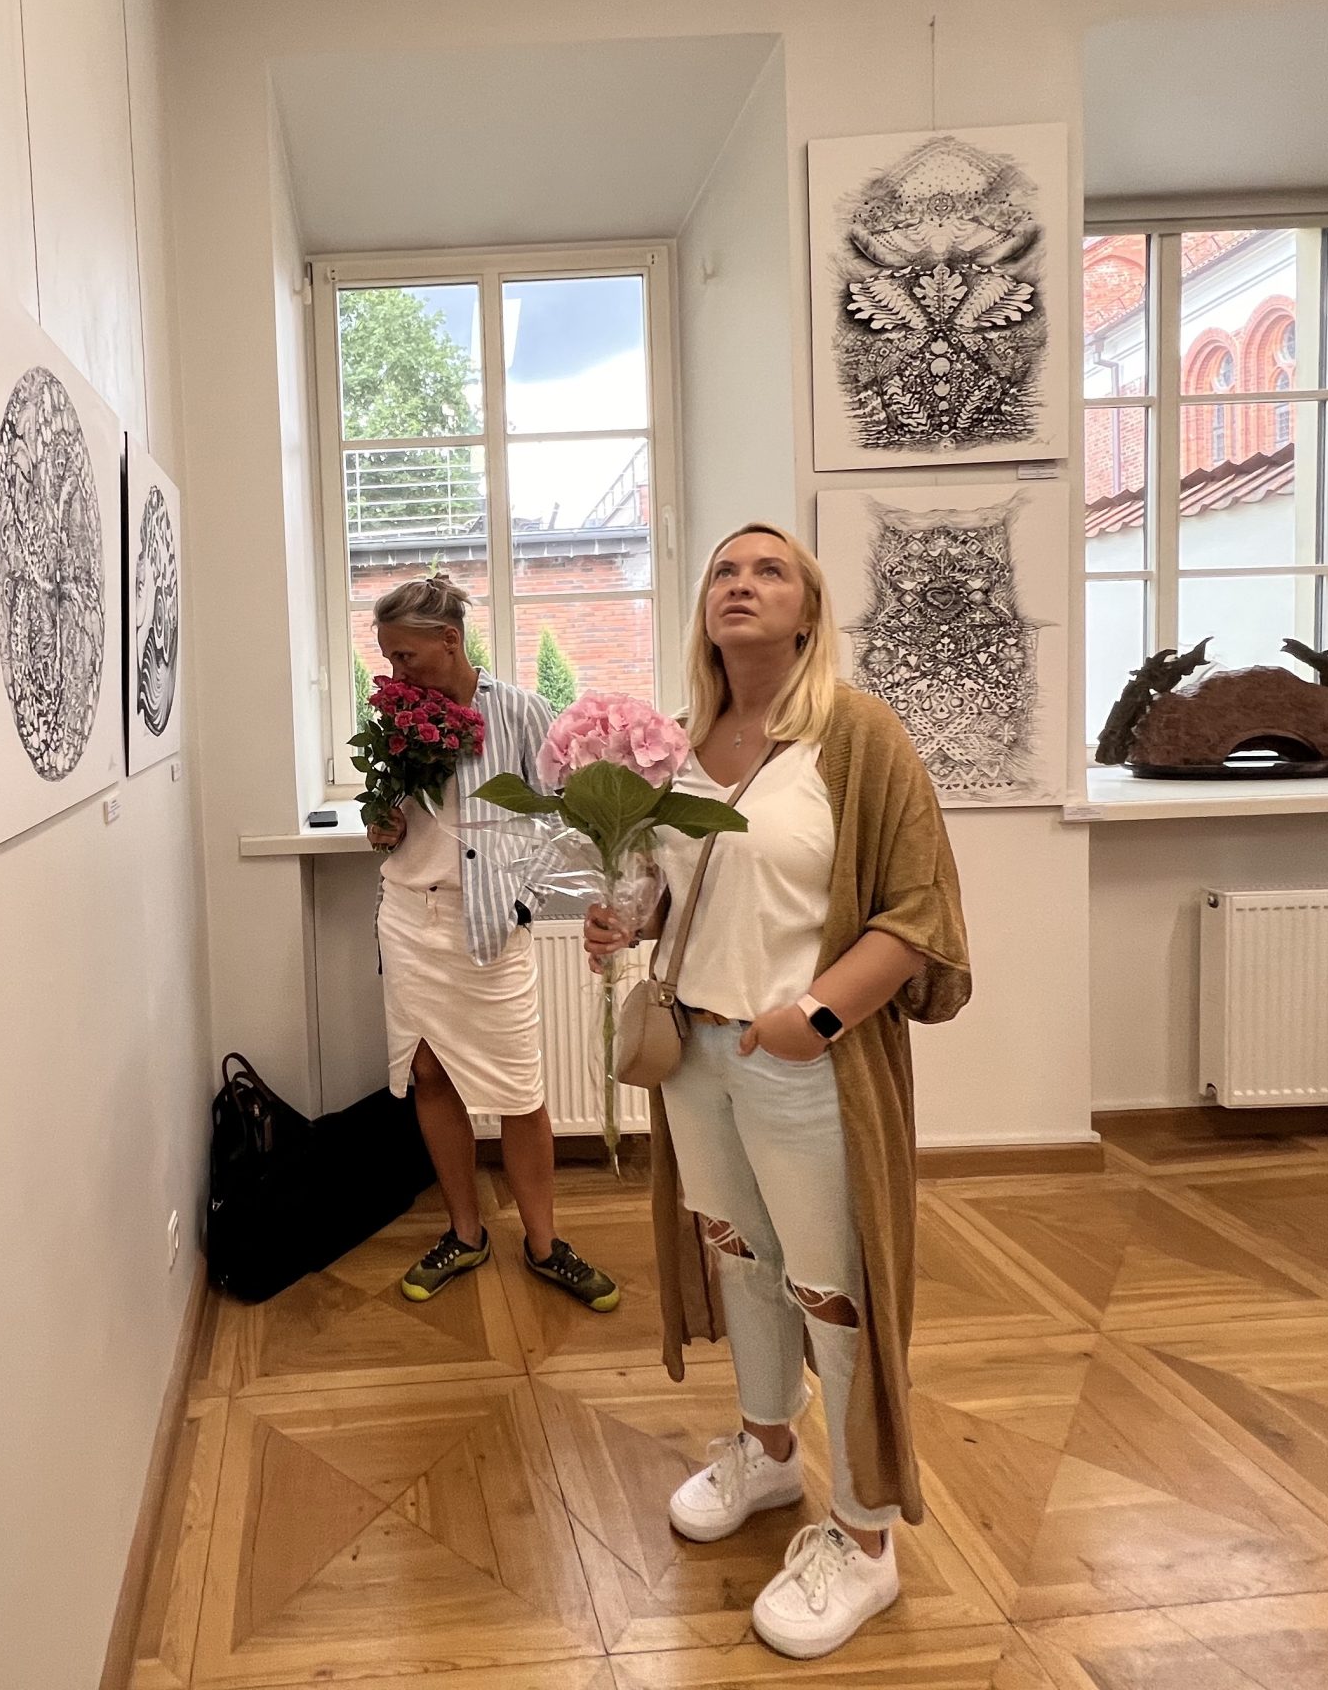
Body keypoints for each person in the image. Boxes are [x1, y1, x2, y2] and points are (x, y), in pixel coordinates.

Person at [583, 523, 968, 1661]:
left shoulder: (855, 735)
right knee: (740, 1258)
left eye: (769, 570)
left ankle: (865, 1536)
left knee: (831, 1287)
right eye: (723, 570)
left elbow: (918, 910)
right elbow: (688, 893)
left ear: (807, 611)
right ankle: (767, 1451)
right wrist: (626, 917)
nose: (740, 584)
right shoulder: (679, 745)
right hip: (696, 1056)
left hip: (804, 1063)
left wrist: (817, 1017)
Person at [367, 575, 619, 1313]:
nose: (395, 671)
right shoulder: (395, 717)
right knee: (429, 1074)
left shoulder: (521, 711)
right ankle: (465, 1233)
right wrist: (381, 826)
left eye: (405, 656)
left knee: (519, 1090)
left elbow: (565, 811)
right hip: (410, 919)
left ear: (450, 640)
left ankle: (544, 1243)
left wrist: (525, 897)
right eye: (388, 658)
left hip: (491, 925)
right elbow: (388, 818)